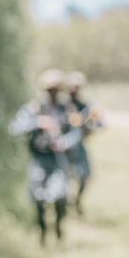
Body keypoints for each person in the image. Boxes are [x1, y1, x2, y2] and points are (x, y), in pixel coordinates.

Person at [9, 68, 82, 245]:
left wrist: (65, 142)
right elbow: (15, 127)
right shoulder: (34, 109)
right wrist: (38, 123)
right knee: (38, 197)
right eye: (50, 89)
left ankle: (58, 226)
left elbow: (76, 133)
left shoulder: (68, 110)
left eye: (57, 89)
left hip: (59, 160)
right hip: (39, 160)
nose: (54, 93)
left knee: (61, 195)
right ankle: (42, 230)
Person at [63, 71, 103, 215]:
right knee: (64, 179)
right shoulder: (63, 106)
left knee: (85, 176)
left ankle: (77, 200)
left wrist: (90, 124)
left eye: (76, 88)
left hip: (79, 148)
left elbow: (99, 124)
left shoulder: (85, 107)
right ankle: (64, 205)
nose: (73, 91)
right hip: (64, 149)